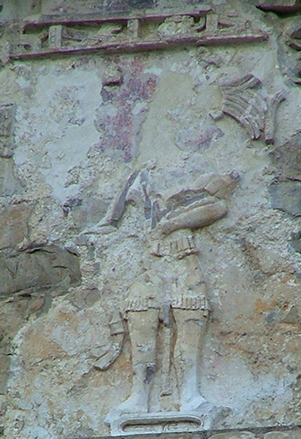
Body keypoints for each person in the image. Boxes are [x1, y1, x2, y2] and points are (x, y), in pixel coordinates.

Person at [87, 169, 239, 425]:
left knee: (189, 323)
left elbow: (218, 208)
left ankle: (190, 394)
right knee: (141, 322)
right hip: (149, 268)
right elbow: (111, 222)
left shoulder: (202, 196)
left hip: (184, 264)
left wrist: (167, 226)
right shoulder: (142, 183)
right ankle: (139, 395)